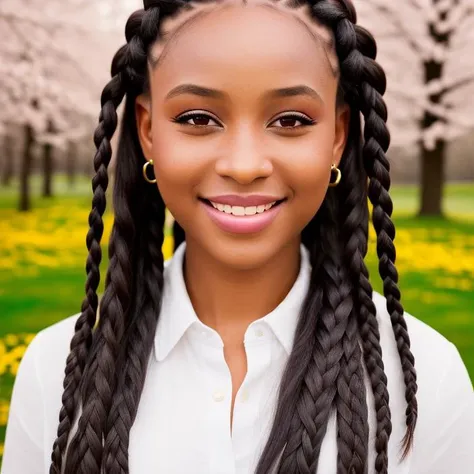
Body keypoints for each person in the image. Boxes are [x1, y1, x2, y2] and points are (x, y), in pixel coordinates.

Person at [2, 0, 473, 473]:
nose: (244, 165)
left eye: (290, 120)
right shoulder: (54, 370)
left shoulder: (429, 378)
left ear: (337, 134)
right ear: (147, 131)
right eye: (197, 119)